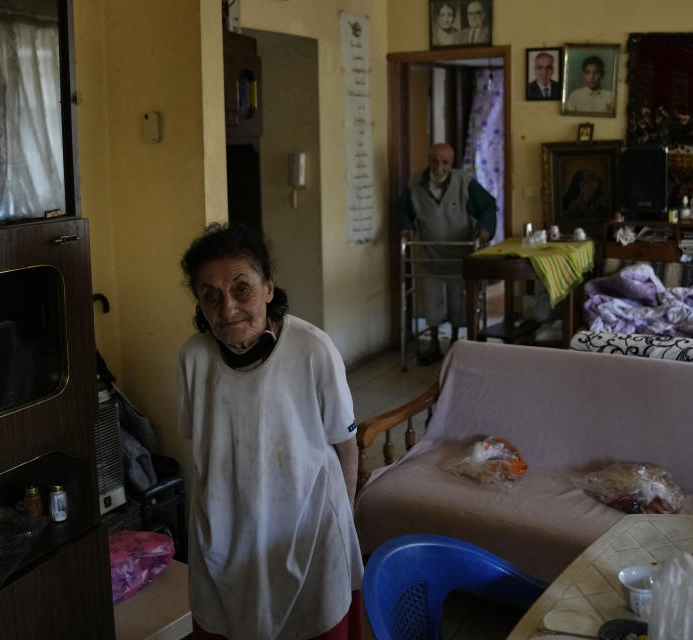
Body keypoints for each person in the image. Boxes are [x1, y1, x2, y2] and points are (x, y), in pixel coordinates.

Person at [177, 223, 363, 640]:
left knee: (313, 621)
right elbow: (203, 450)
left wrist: (341, 526)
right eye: (211, 296)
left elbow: (346, 446)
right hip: (224, 530)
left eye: (241, 289)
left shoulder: (313, 350)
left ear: (268, 289)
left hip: (306, 531)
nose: (227, 310)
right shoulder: (194, 357)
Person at [396, 143, 496, 365]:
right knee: (433, 301)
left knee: (457, 300)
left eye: (445, 162)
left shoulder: (463, 181)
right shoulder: (416, 183)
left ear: (452, 164)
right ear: (429, 160)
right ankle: (432, 344)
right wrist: (406, 225)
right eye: (435, 161)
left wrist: (485, 228)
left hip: (460, 254)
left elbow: (488, 205)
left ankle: (453, 343)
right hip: (430, 253)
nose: (439, 167)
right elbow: (403, 210)